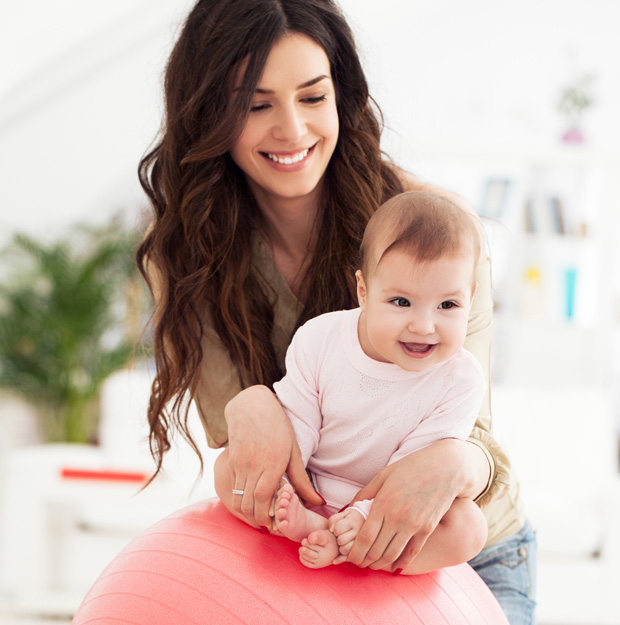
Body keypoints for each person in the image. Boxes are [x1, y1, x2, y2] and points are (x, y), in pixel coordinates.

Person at [136, 0, 536, 622]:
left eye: (313, 97)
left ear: (342, 98)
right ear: (209, 112)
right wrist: (254, 405)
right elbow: (245, 452)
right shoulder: (186, 257)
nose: (292, 130)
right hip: (308, 548)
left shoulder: (435, 231)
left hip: (464, 559)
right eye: (256, 103)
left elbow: (469, 425)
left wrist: (459, 461)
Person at [272, 191, 488, 574]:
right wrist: (290, 484)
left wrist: (363, 516)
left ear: (470, 299)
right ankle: (316, 527)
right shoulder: (319, 338)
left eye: (448, 306)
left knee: (469, 529)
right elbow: (296, 420)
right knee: (227, 473)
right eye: (401, 302)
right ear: (364, 292)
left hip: (395, 512)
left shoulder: (461, 378)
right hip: (314, 486)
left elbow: (416, 470)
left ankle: (353, 549)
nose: (424, 326)